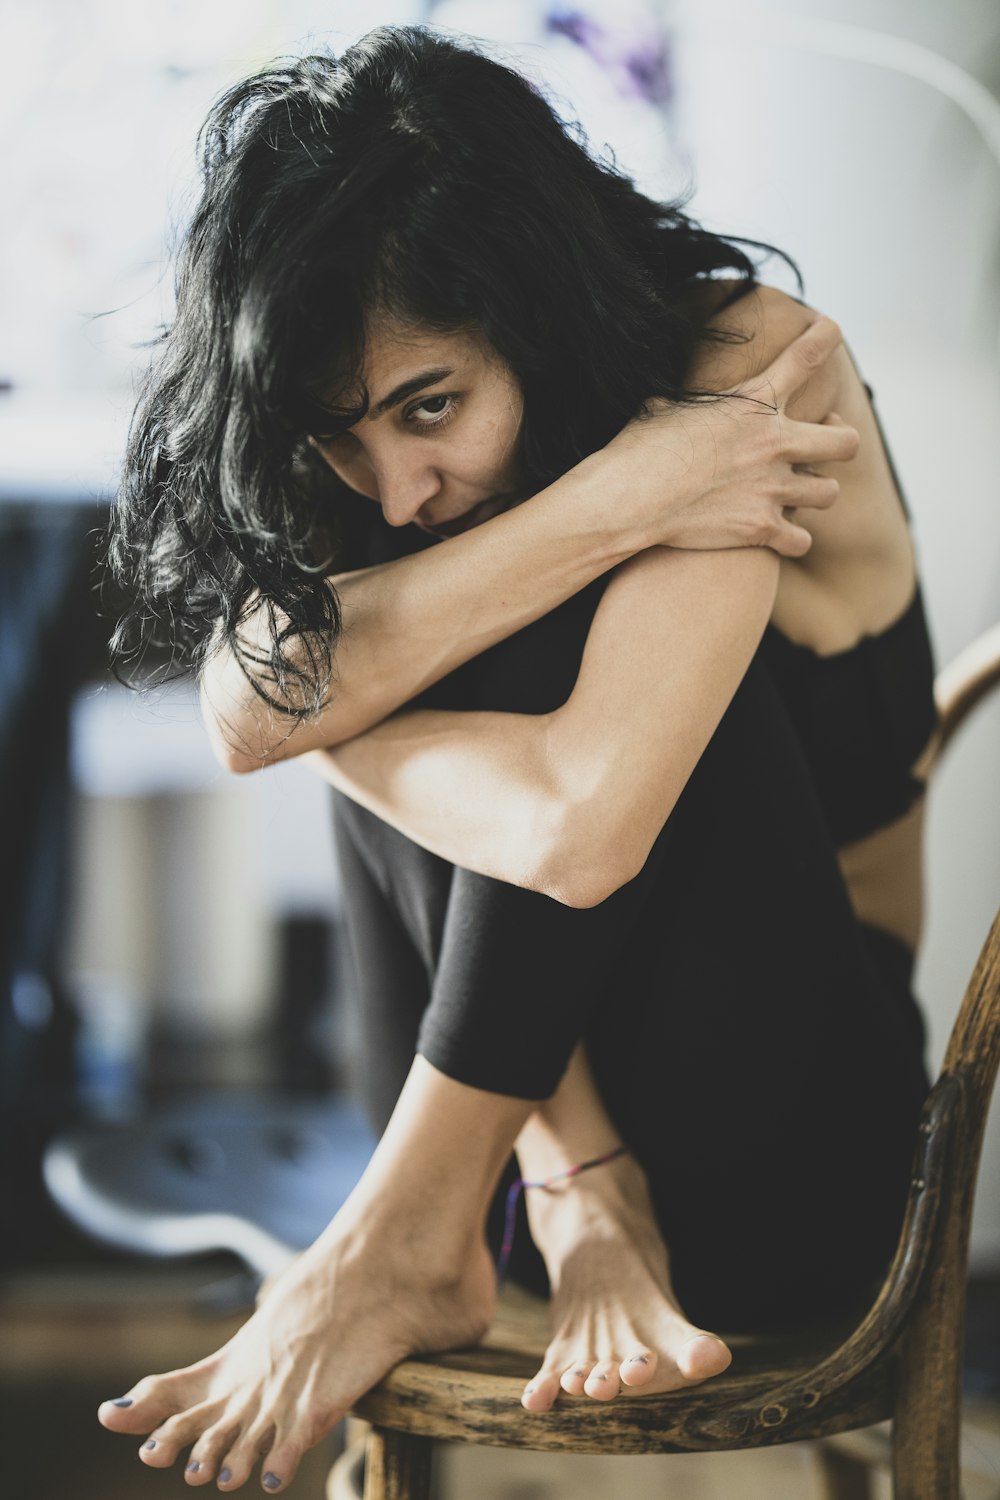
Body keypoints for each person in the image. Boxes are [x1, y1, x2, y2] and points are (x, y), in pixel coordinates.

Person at [97, 24, 936, 1494]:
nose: (398, 483)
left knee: (481, 643)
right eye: (341, 439)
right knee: (434, 601)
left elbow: (580, 825)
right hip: (507, 1145)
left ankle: (397, 1234)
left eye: (433, 407)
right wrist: (618, 494)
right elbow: (246, 704)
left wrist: (340, 724)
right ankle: (455, 1220)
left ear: (543, 315)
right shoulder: (397, 460)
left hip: (792, 1148)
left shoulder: (754, 364)